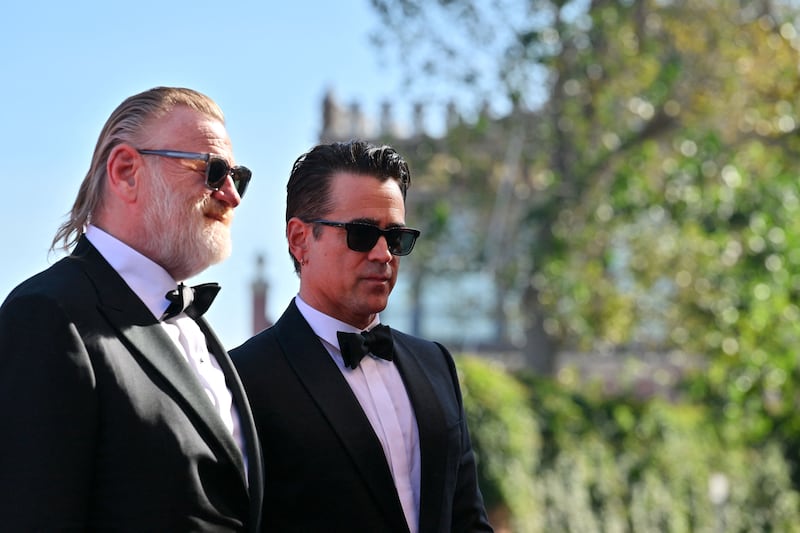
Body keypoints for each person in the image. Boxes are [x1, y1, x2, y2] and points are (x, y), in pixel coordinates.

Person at [0, 86, 263, 531]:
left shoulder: (198, 330)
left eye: (239, 178)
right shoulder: (46, 315)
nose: (231, 195)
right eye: (214, 171)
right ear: (126, 171)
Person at [231, 140, 493, 533]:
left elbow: (468, 521)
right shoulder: (242, 378)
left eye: (396, 237)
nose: (383, 254)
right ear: (300, 239)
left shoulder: (436, 365)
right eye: (362, 234)